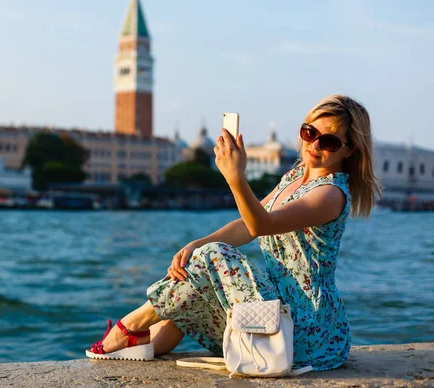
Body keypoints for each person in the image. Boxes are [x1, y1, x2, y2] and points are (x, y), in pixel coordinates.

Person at [86, 94, 382, 371]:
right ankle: (143, 342)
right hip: (277, 312)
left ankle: (129, 325)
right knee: (200, 269)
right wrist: (196, 244)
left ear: (349, 150)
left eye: (328, 141)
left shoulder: (330, 193)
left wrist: (235, 177)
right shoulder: (293, 177)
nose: (314, 145)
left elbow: (260, 225)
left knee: (214, 256)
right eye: (309, 133)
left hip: (311, 332)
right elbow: (246, 227)